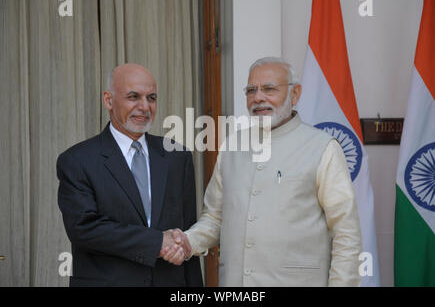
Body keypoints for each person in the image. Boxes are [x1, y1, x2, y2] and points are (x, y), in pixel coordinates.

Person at [162, 57, 363, 286]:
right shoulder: (233, 146)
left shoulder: (322, 147)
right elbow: (215, 218)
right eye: (251, 90)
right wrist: (186, 241)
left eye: (269, 89)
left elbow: (347, 234)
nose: (258, 97)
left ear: (295, 94)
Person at [56, 63, 203, 287]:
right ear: (108, 100)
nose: (144, 106)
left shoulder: (177, 156)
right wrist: (157, 242)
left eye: (151, 98)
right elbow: (84, 228)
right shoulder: (77, 160)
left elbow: (187, 232)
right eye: (133, 97)